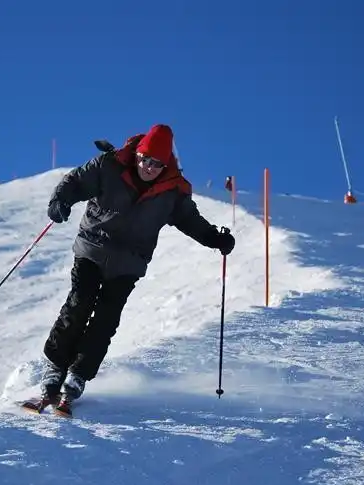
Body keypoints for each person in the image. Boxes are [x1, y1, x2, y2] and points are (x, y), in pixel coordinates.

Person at [38, 124, 236, 408]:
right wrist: (60, 200)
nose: (149, 167)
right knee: (78, 304)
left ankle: (79, 373)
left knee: (106, 318)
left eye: (157, 164)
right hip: (93, 249)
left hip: (128, 262)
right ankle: (56, 365)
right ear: (138, 153)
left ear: (165, 164)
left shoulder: (172, 191)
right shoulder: (110, 165)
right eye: (145, 159)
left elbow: (190, 220)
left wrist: (214, 238)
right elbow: (77, 182)